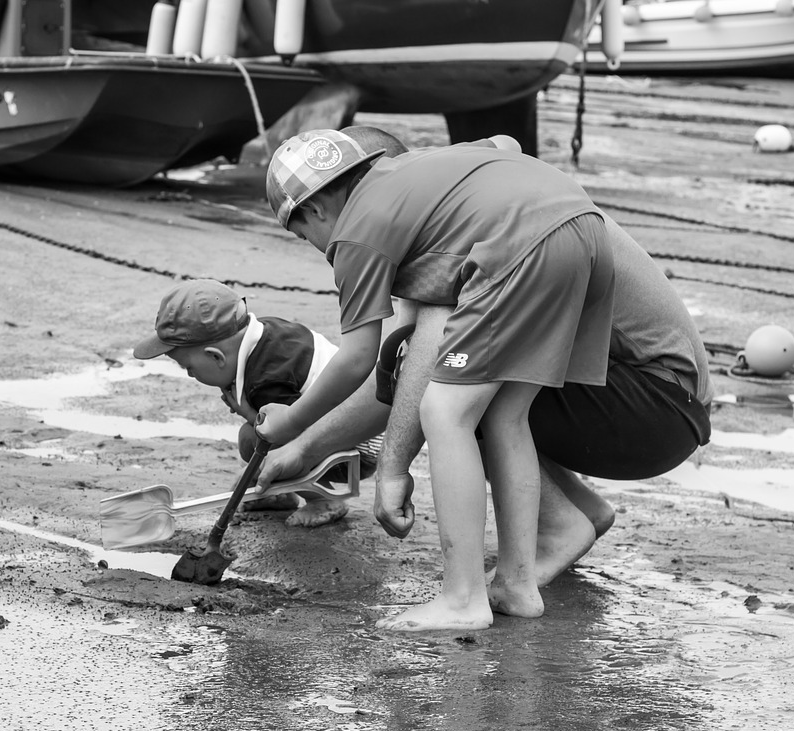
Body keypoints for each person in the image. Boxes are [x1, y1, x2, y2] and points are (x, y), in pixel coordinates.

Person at [254, 126, 713, 631]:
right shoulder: (460, 183)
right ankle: (522, 575)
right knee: (494, 404)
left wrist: (312, 433)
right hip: (578, 236)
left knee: (445, 407)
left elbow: (366, 361)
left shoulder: (364, 231)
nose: (313, 248)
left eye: (302, 236)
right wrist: (309, 446)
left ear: (316, 211)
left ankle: (463, 598)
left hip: (653, 407)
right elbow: (506, 141)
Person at [134, 278, 379, 528]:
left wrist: (250, 418)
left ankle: (324, 500)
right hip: (355, 430)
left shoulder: (266, 380)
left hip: (357, 448)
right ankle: (281, 492)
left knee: (255, 440)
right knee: (252, 437)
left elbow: (297, 433)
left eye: (189, 367)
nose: (189, 374)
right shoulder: (266, 334)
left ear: (216, 356)